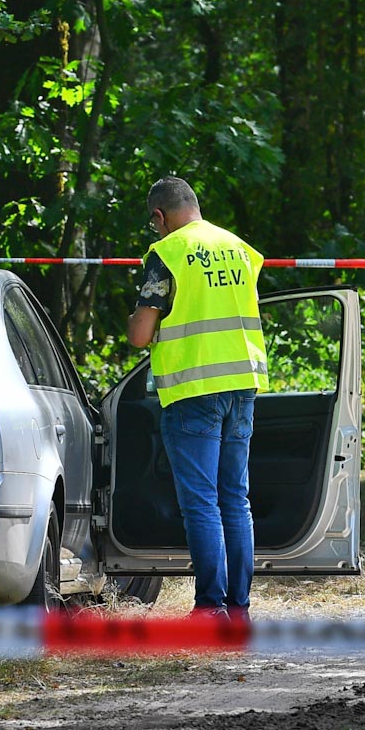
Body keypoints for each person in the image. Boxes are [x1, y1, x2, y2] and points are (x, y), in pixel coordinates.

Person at [125, 177, 267, 615]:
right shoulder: (239, 249)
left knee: (202, 502)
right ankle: (238, 609)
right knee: (235, 499)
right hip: (241, 384)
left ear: (159, 216)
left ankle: (210, 608)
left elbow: (140, 334)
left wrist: (133, 322)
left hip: (193, 390)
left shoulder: (167, 252)